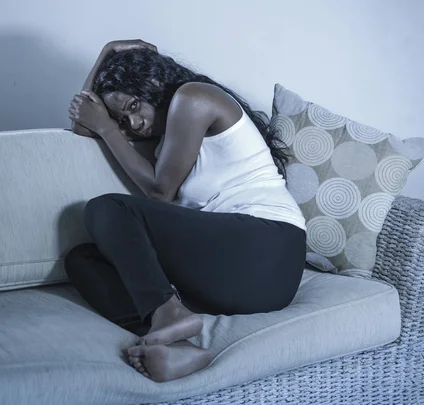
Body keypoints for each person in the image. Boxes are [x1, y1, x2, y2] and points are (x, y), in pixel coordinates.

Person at [65, 39, 306, 382]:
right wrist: (105, 55)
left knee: (107, 208)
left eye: (134, 105)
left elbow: (159, 193)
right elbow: (82, 126)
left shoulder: (193, 98)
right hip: (229, 276)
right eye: (122, 118)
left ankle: (168, 317)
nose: (133, 124)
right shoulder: (166, 137)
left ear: (153, 84)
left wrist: (108, 127)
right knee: (83, 260)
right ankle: (179, 345)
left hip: (267, 249)